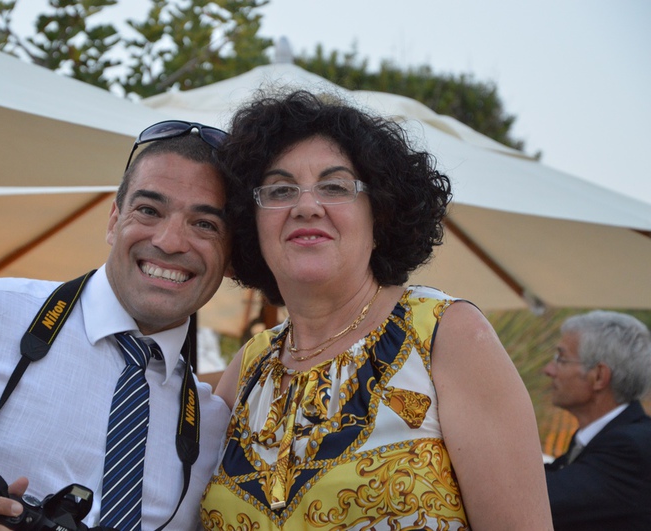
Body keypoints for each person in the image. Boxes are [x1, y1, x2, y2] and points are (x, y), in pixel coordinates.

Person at [0, 121, 233, 530]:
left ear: (231, 256)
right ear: (113, 221)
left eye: (205, 224)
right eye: (149, 210)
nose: (170, 241)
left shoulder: (212, 426)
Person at [200, 90, 553, 531]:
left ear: (380, 215)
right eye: (280, 190)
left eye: (334, 187)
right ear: (251, 222)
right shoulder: (250, 366)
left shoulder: (446, 335)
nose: (306, 206)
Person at [543, 310, 651, 530]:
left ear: (599, 376)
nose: (549, 370)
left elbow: (536, 498)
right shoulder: (606, 439)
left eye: (561, 359)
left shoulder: (630, 448)